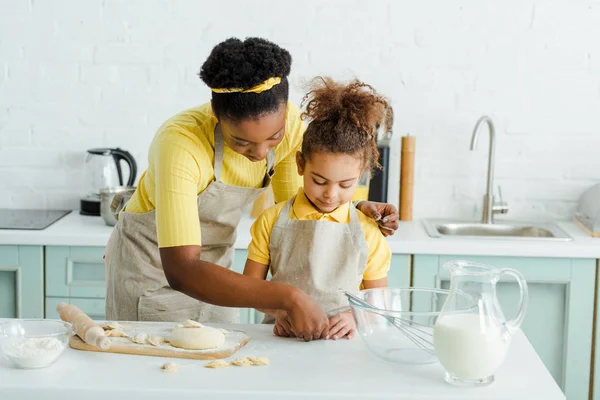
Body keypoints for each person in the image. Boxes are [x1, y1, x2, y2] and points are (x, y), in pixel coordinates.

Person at [104, 37, 398, 341]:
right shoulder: (180, 144)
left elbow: (297, 220)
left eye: (274, 137)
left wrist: (347, 209)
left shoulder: (294, 127)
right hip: (154, 272)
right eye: (241, 142)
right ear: (216, 117)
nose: (260, 152)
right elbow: (182, 268)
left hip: (221, 275)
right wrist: (285, 299)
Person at [243, 77, 392, 341]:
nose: (330, 194)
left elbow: (379, 303)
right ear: (300, 164)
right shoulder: (272, 220)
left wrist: (355, 317)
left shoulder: (368, 230)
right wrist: (279, 310)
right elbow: (250, 289)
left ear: (361, 175)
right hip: (280, 340)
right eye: (319, 181)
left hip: (343, 345)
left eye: (345, 184)